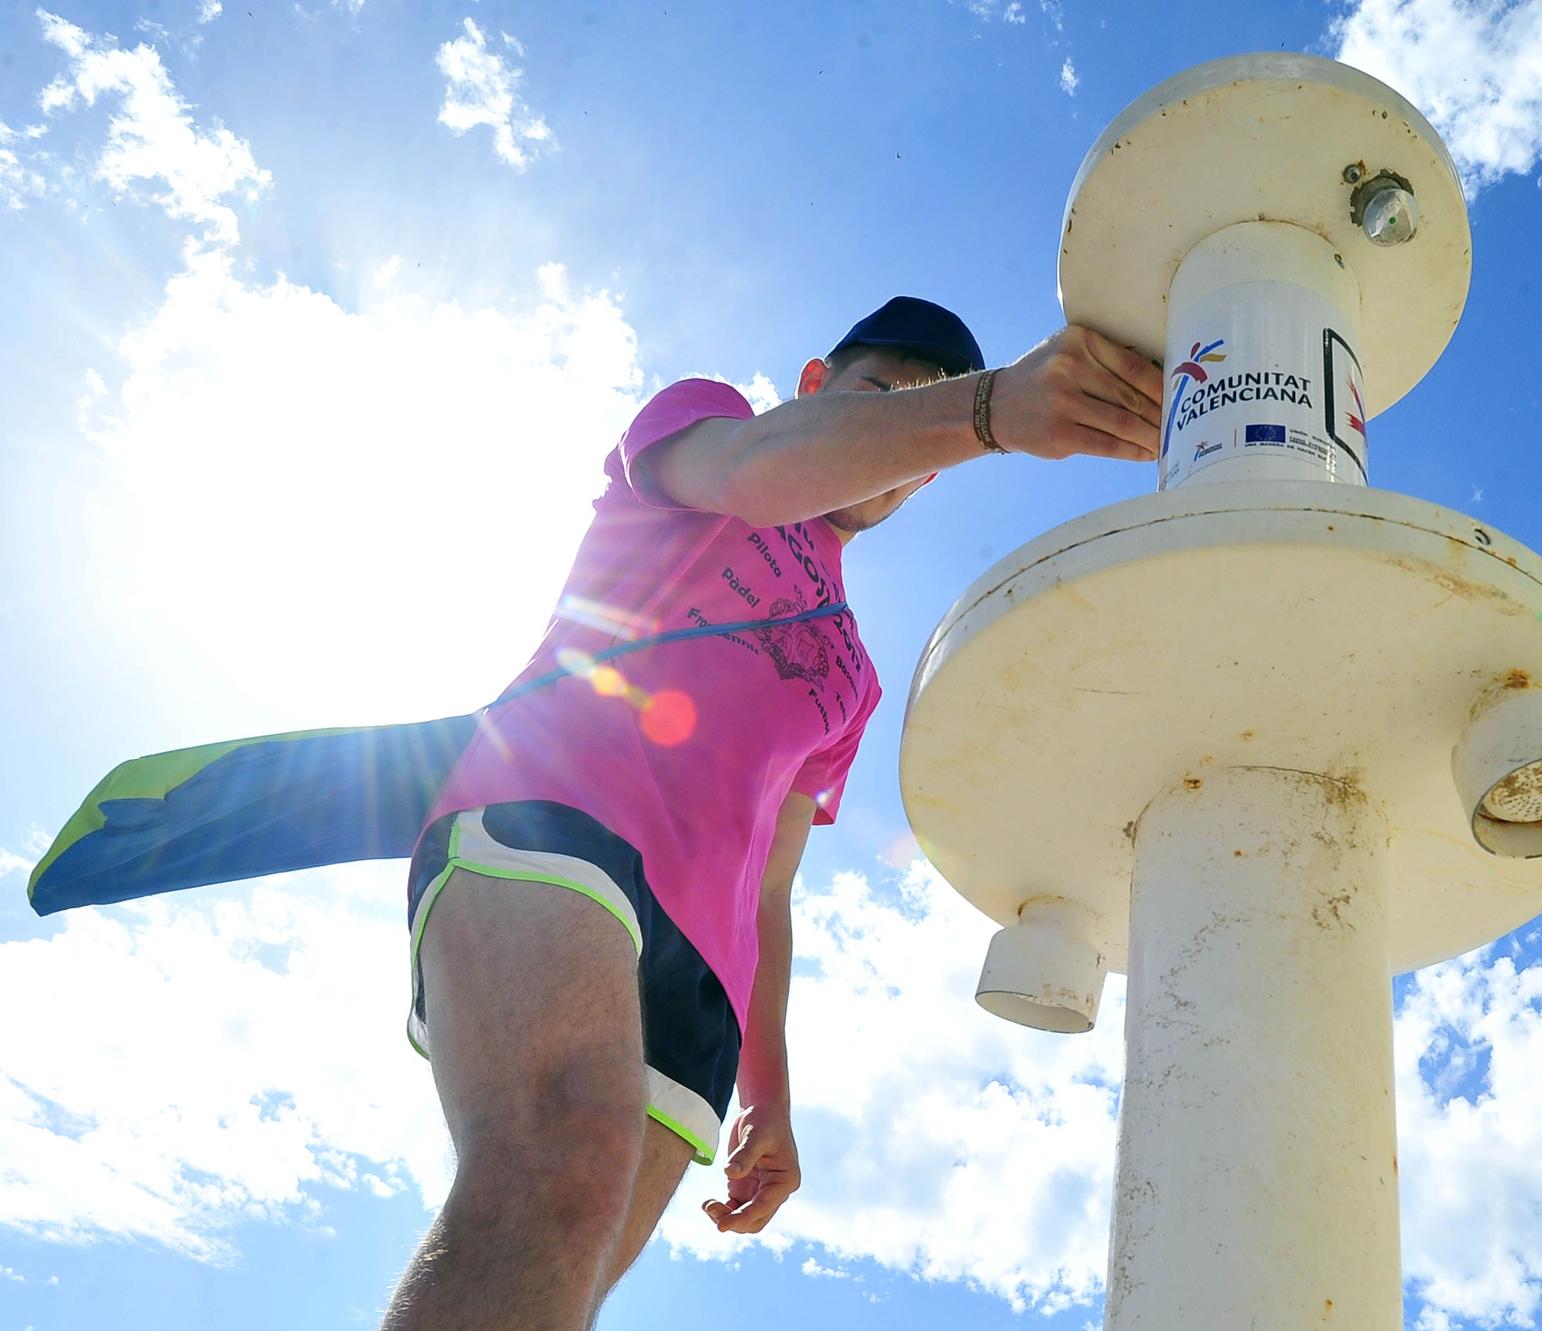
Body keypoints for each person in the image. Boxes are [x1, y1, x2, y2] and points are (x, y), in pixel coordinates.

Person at [379, 296, 1163, 1330]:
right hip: (556, 815)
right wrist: (991, 408)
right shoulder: (701, 421)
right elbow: (754, 470)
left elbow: (772, 886)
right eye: (880, 400)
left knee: (562, 1257)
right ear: (814, 386)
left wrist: (772, 1093)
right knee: (564, 1145)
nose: (892, 445)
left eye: (913, 442)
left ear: (922, 478)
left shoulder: (854, 675)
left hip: (702, 977)